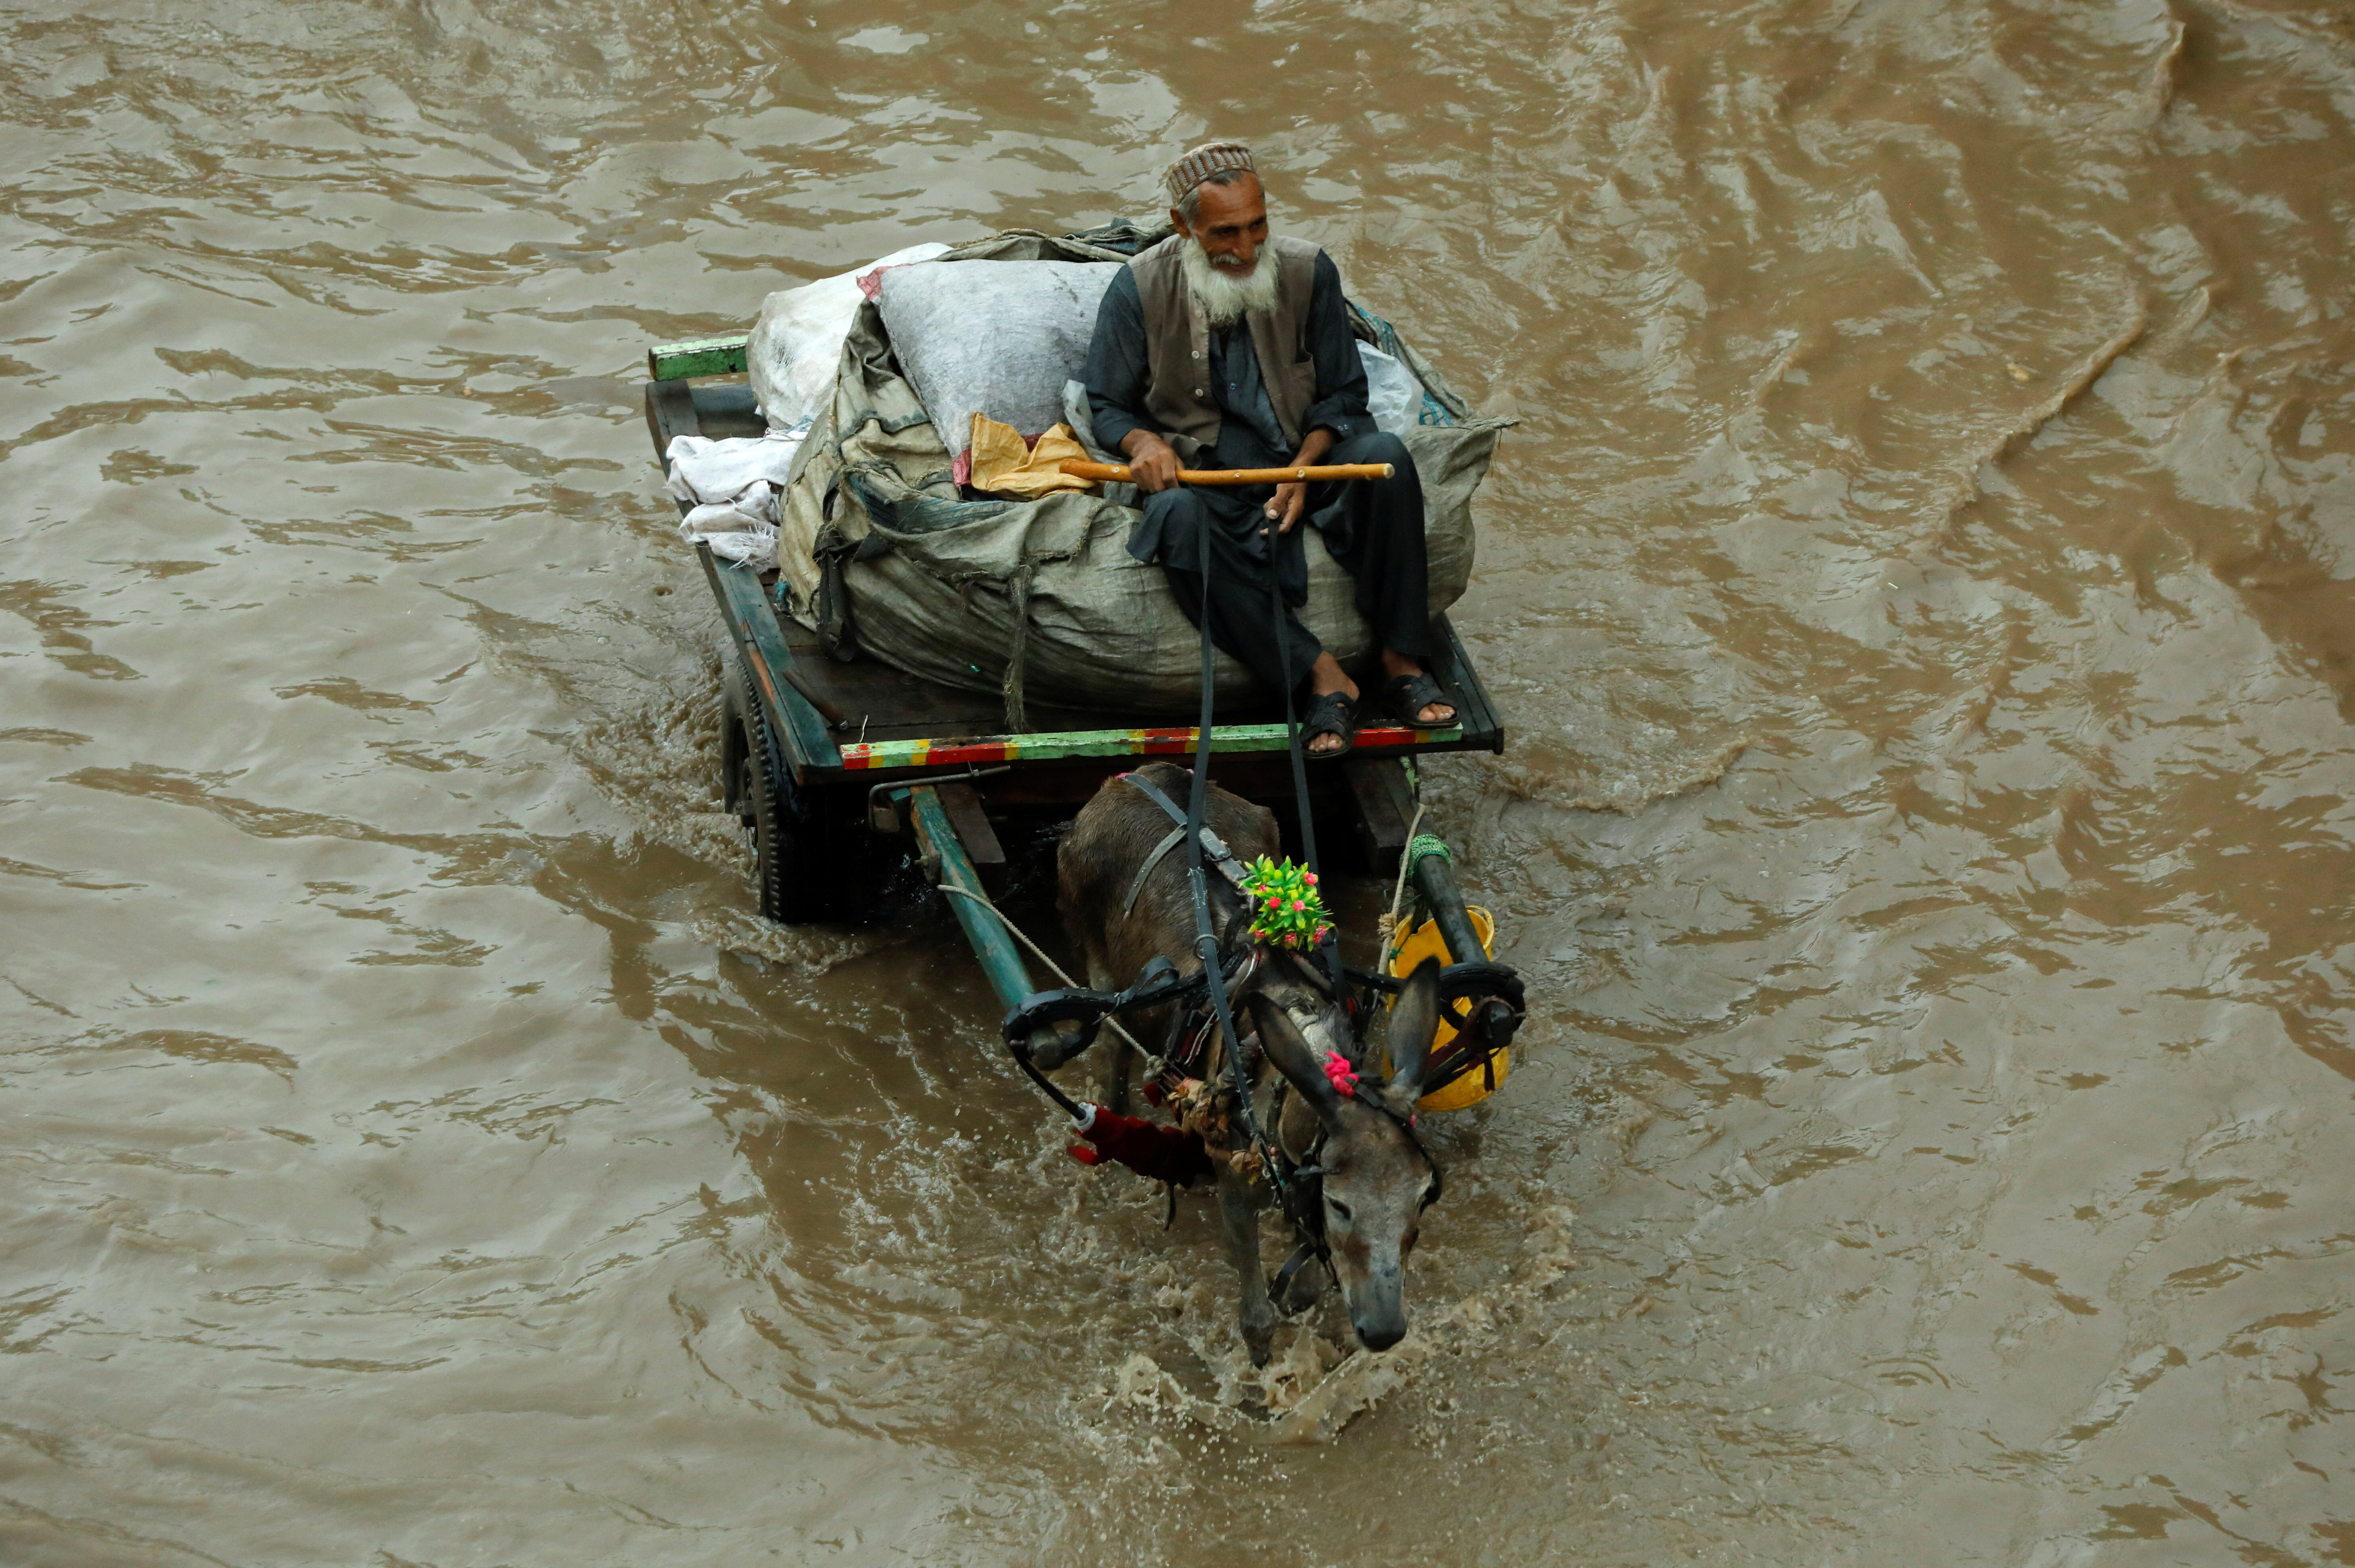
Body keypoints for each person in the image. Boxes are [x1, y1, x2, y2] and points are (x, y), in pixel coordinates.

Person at [1082, 140, 1457, 756]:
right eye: (1226, 233)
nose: (1247, 250)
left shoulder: (1309, 270)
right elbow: (1107, 405)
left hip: (1304, 456)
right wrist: (1145, 441)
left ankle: (1403, 663)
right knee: (1173, 519)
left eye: (1258, 227)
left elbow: (1343, 396)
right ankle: (1322, 675)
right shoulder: (1138, 289)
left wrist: (1304, 472)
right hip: (1209, 474)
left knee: (1388, 456)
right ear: (1183, 226)